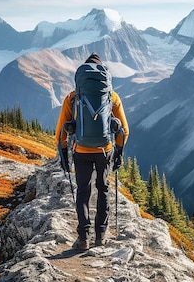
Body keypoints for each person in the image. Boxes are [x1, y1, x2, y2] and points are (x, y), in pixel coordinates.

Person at [56, 53, 129, 249]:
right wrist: (119, 152)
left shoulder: (73, 97)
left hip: (81, 150)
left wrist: (64, 156)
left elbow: (60, 131)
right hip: (104, 150)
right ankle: (101, 235)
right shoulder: (111, 96)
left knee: (83, 192)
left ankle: (83, 238)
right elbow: (124, 129)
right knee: (103, 190)